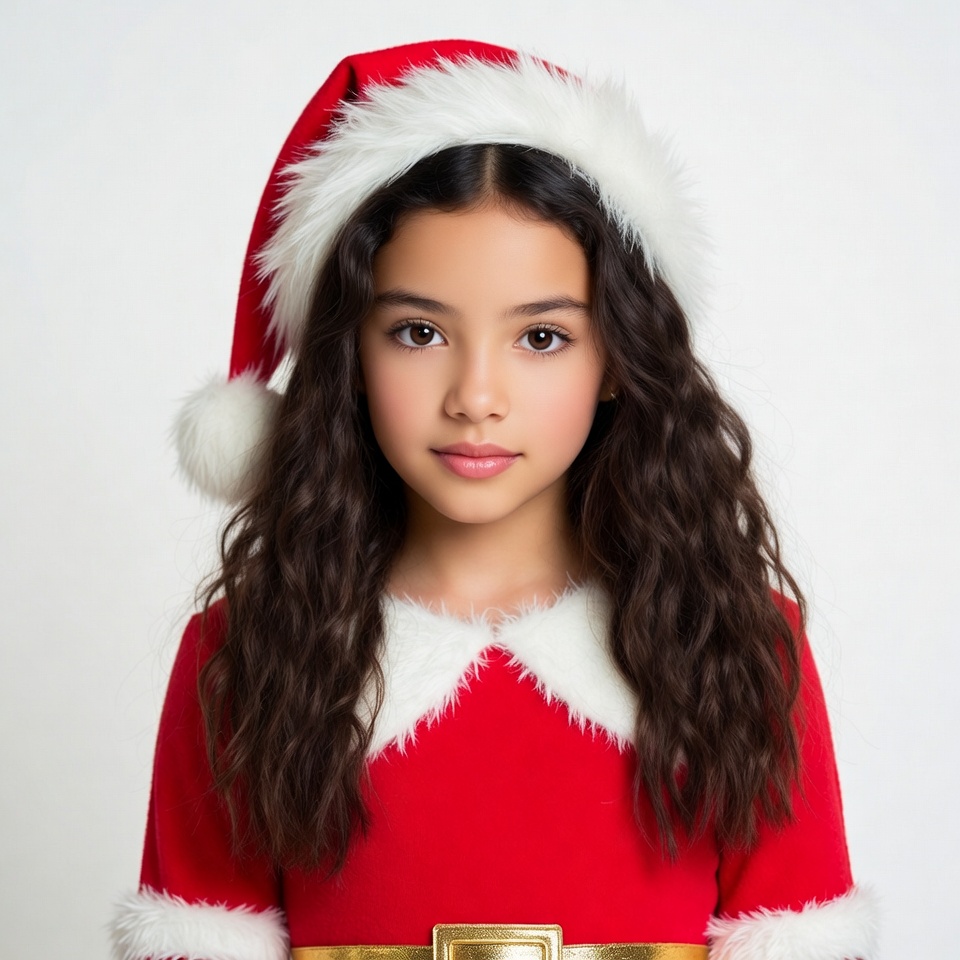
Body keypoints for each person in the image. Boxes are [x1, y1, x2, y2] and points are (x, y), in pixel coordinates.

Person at [111, 39, 877, 960]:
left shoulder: (739, 653)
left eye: (542, 337)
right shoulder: (246, 658)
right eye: (419, 330)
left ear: (617, 362)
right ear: (349, 355)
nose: (476, 395)